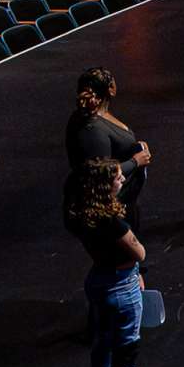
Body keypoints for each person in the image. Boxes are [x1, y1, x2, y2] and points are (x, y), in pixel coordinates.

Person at [64, 158, 168, 367]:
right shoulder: (112, 223)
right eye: (118, 178)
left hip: (98, 280)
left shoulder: (84, 214)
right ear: (105, 186)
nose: (122, 180)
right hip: (121, 287)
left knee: (102, 345)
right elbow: (140, 253)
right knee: (125, 350)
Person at [64, 67, 151, 251]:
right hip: (110, 206)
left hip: (124, 200)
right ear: (111, 88)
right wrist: (135, 161)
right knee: (124, 260)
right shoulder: (92, 129)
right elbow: (99, 173)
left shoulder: (99, 116)